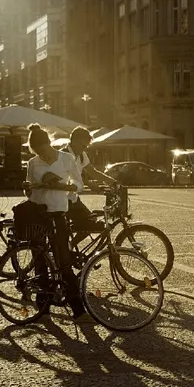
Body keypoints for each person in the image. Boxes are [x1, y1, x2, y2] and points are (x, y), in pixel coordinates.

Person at [25, 124, 87, 318]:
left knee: (63, 261)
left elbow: (79, 185)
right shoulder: (33, 163)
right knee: (40, 260)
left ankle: (78, 309)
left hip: (58, 214)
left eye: (42, 151)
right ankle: (43, 306)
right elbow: (28, 190)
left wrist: (64, 186)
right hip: (38, 214)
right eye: (37, 152)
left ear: (48, 144)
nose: (41, 155)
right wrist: (27, 187)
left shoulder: (66, 159)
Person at [66, 126, 114, 243]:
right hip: (61, 199)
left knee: (90, 223)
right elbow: (66, 177)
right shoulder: (64, 155)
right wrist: (88, 183)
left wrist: (112, 181)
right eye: (83, 146)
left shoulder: (81, 155)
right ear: (74, 141)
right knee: (87, 224)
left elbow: (92, 172)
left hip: (73, 198)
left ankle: (70, 247)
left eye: (86, 146)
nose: (85, 149)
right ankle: (63, 252)